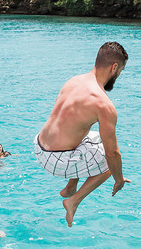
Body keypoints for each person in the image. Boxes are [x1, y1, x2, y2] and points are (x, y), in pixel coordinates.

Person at [34, 42, 131, 227]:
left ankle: (71, 186)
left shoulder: (74, 80)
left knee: (92, 135)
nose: (119, 76)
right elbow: (113, 154)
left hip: (39, 146)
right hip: (55, 161)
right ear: (114, 67)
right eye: (121, 71)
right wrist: (118, 179)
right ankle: (73, 201)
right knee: (112, 163)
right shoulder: (103, 104)